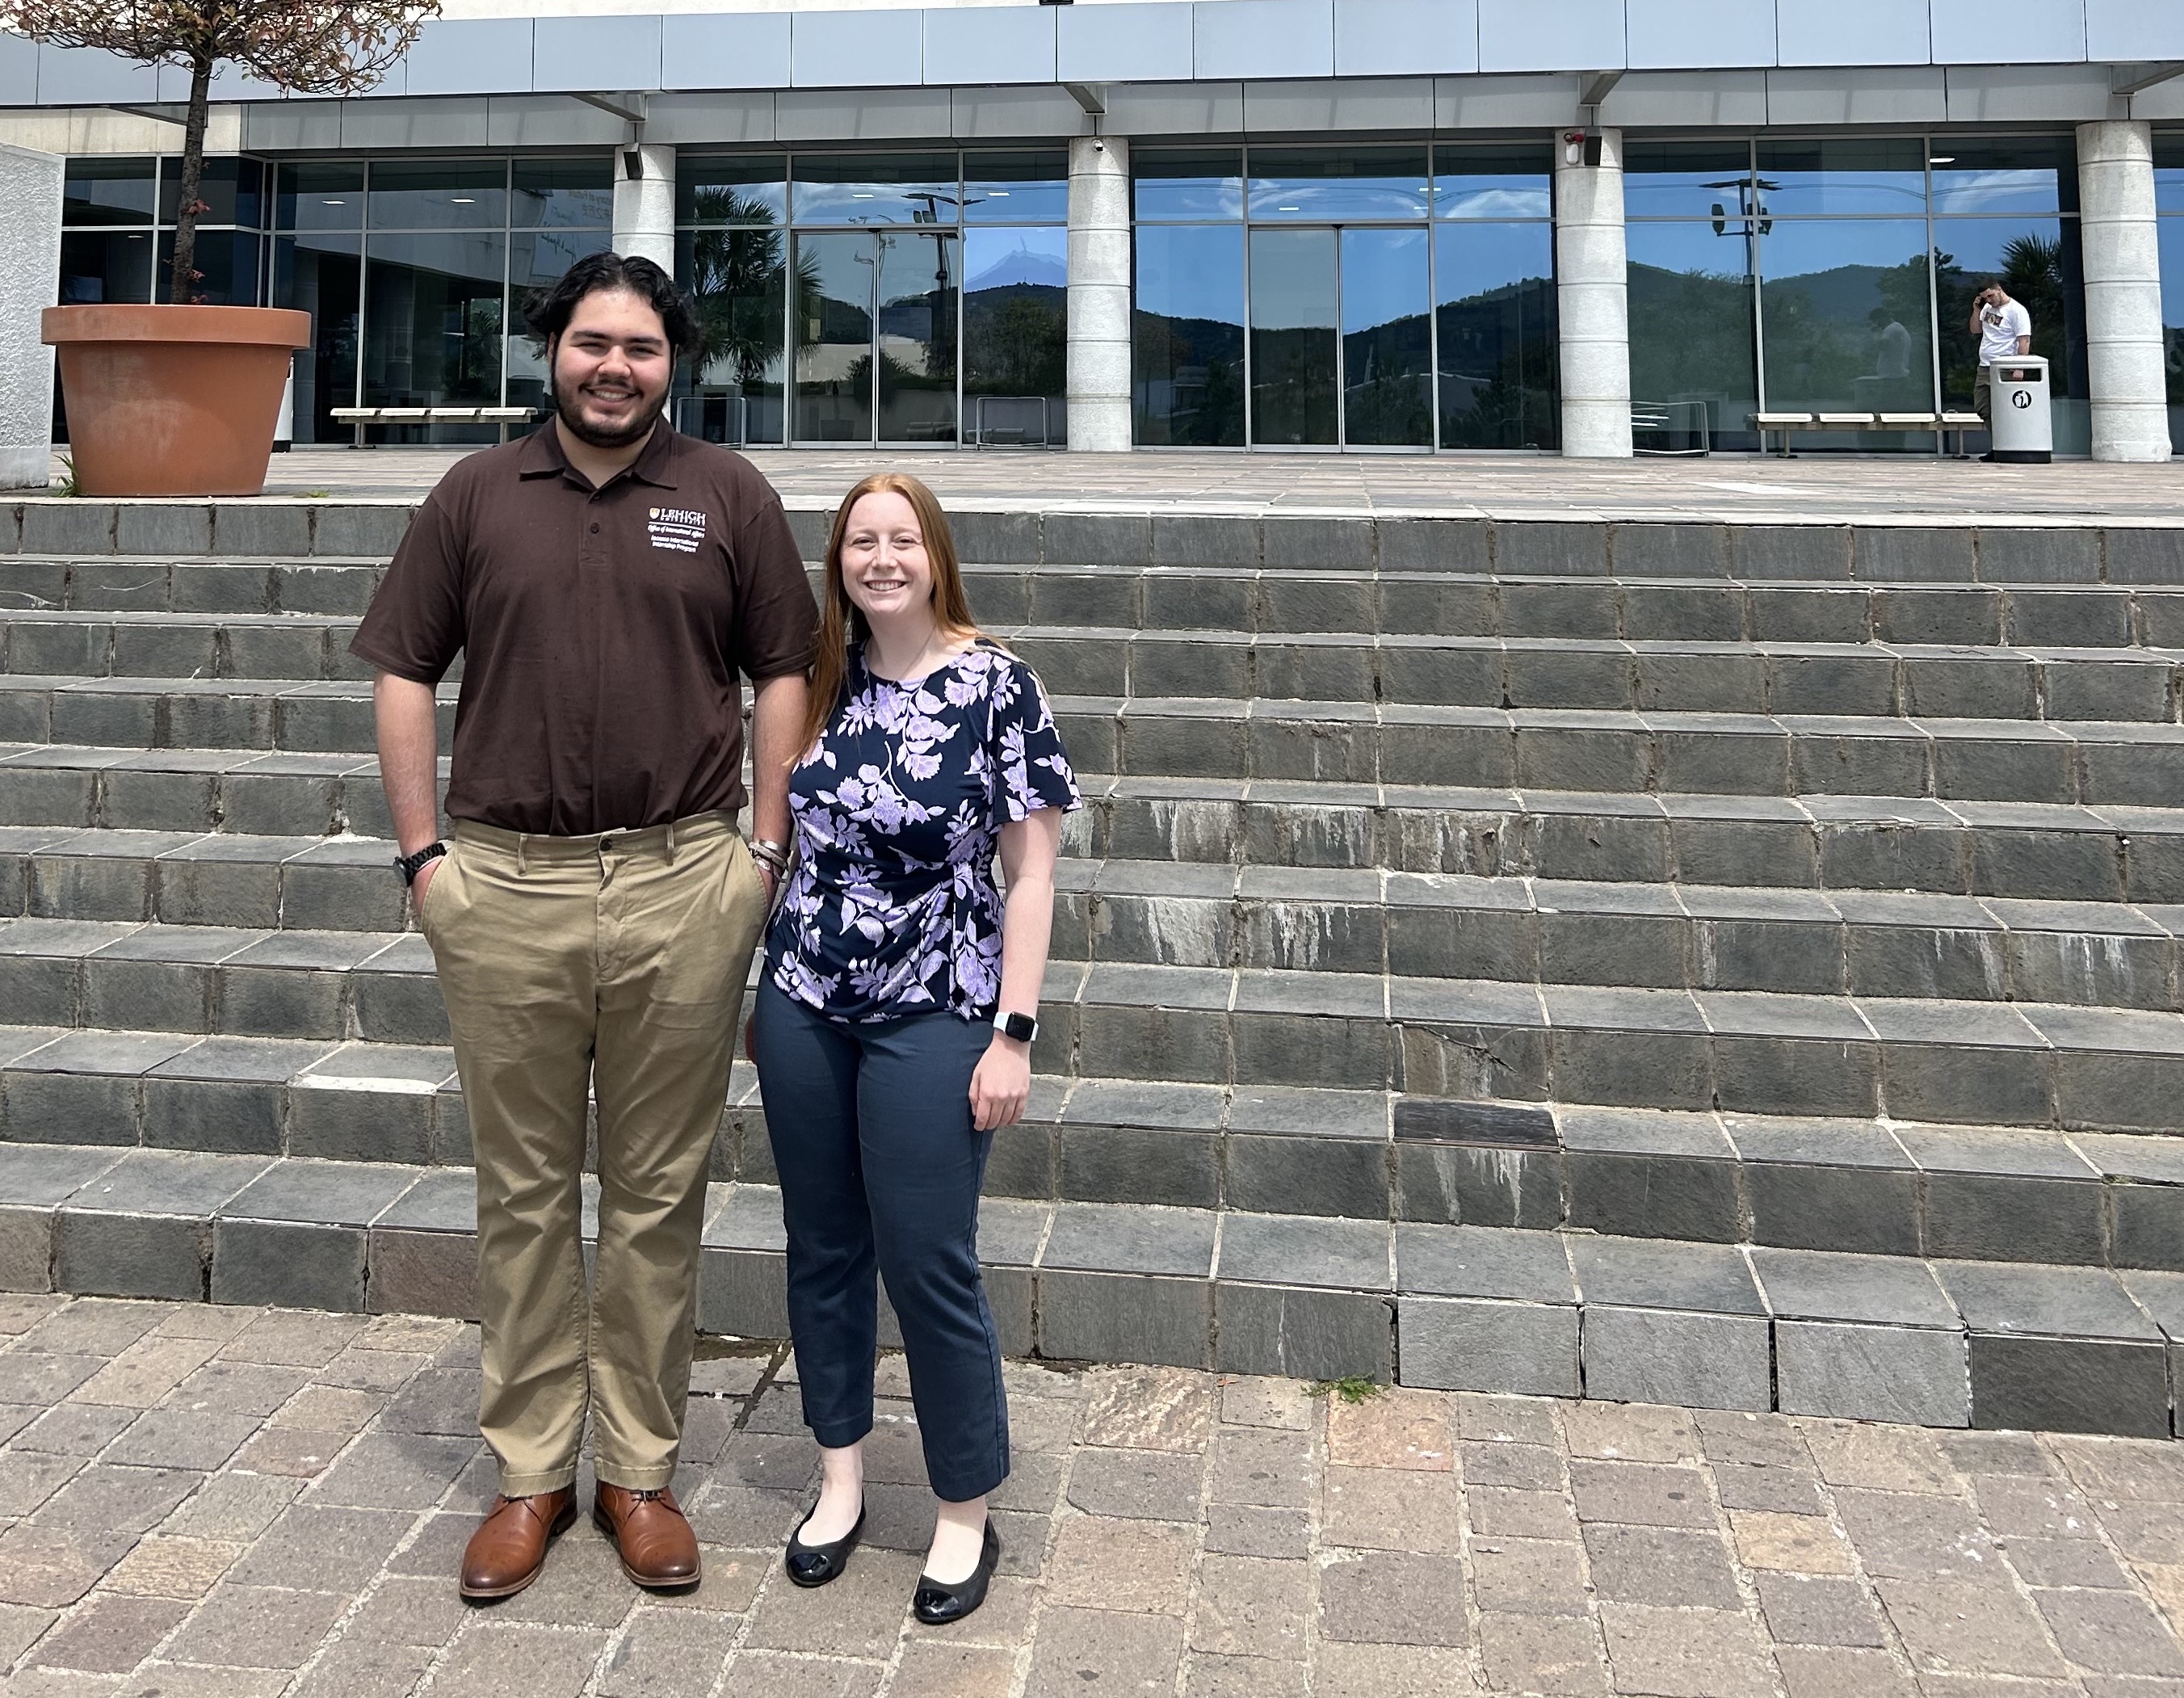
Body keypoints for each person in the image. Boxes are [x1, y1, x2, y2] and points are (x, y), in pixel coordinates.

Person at [351, 251, 817, 1602]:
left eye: (644, 348)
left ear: (674, 363)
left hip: (685, 882)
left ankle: (639, 1471)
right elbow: (400, 671)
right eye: (593, 342)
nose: (615, 367)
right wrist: (423, 858)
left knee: (661, 1194)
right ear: (551, 346)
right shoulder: (474, 493)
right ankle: (527, 1475)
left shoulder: (725, 495)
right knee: (524, 1195)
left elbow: (781, 670)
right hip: (504, 885)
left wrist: (762, 854)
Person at [750, 472, 1078, 1627]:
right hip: (803, 995)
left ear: (934, 554)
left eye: (900, 539)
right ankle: (840, 1477)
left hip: (936, 1002)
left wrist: (1015, 1034)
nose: (879, 557)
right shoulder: (819, 681)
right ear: (837, 559)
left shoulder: (997, 685)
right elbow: (777, 833)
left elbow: (1030, 871)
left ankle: (960, 1506)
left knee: (929, 1255)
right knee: (822, 1241)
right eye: (858, 540)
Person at [1970, 279, 2033, 439]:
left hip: (2005, 365)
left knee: (2004, 407)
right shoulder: (1987, 309)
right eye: (1986, 298)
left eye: (1991, 296)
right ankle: (1998, 440)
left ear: (1999, 289)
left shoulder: (2016, 311)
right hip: (1985, 365)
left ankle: (2007, 442)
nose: (1989, 300)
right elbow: (1975, 330)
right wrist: (1977, 310)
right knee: (1983, 406)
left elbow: (2024, 340)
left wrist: (2019, 367)